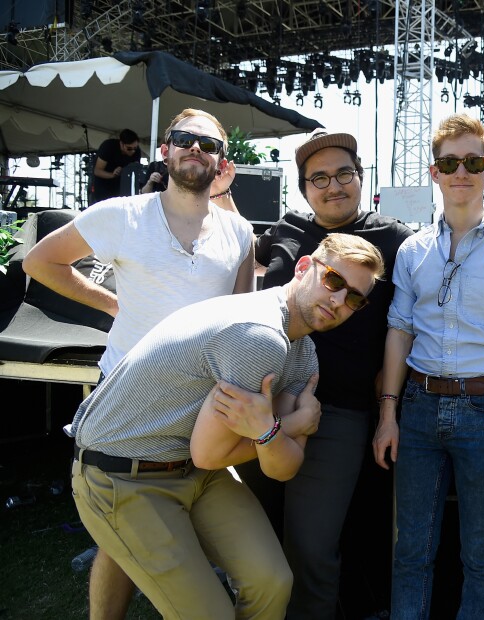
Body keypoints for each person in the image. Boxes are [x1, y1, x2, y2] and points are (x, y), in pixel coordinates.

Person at [69, 232, 385, 619]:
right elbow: (211, 452)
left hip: (193, 471)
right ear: (304, 268)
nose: (338, 300)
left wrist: (270, 429)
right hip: (123, 474)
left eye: (354, 297)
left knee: (272, 582)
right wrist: (284, 425)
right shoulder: (259, 337)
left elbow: (282, 467)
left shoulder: (303, 353)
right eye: (334, 280)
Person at [23, 107, 254, 620]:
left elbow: (241, 316)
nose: (196, 148)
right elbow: (40, 262)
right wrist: (110, 304)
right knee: (122, 527)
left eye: (209, 144)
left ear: (221, 163)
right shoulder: (121, 215)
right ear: (166, 149)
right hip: (129, 394)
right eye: (184, 138)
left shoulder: (239, 233)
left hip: (198, 400)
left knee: (177, 507)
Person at [234, 128, 413, 619]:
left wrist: (387, 404)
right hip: (263, 405)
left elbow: (410, 326)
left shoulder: (397, 242)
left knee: (313, 550)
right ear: (304, 187)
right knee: (260, 539)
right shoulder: (285, 231)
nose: (333, 186)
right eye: (319, 178)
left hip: (338, 414)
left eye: (344, 174)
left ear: (360, 178)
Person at [372, 113, 484, 619]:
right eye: (449, 162)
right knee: (410, 552)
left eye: (473, 161)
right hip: (417, 410)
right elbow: (399, 330)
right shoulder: (413, 250)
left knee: (481, 555)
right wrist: (388, 415)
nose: (460, 171)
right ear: (434, 172)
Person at [89, 129, 143, 205]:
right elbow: (97, 171)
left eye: (135, 148)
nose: (132, 151)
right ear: (121, 144)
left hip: (122, 190)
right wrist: (112, 175)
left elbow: (135, 170)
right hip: (103, 188)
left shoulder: (136, 152)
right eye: (129, 148)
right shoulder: (108, 147)